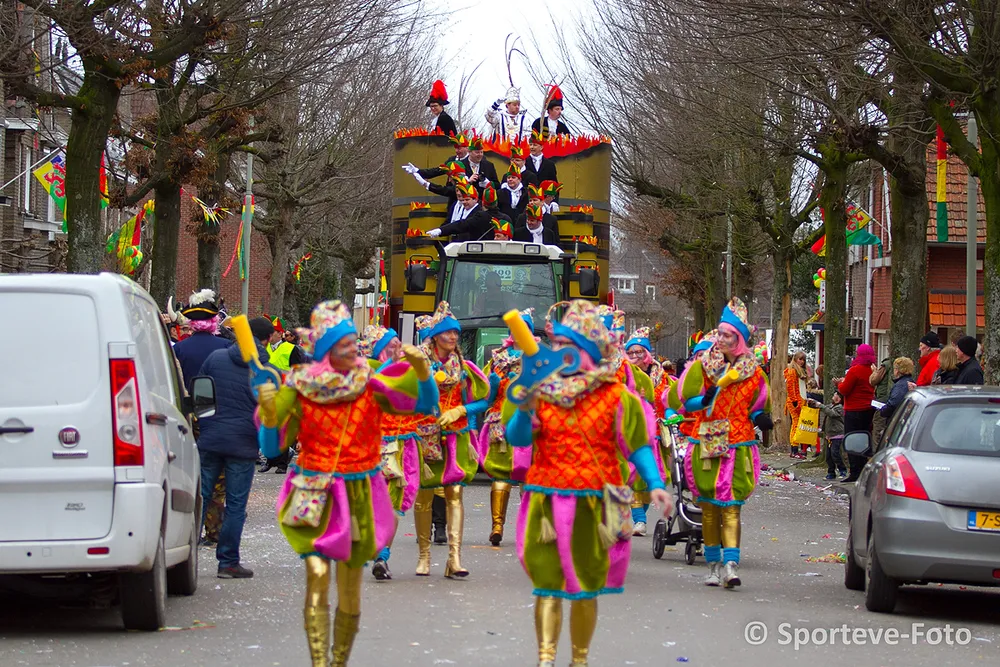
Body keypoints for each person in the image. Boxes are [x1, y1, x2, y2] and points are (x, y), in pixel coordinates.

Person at [256, 301, 438, 666]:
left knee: (351, 588)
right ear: (327, 349)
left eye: (354, 342)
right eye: (344, 343)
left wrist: (422, 370)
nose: (353, 349)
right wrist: (269, 412)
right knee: (317, 576)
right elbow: (272, 446)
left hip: (358, 495)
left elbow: (424, 404)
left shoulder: (370, 380)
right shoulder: (300, 385)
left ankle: (339, 661)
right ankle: (319, 661)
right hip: (315, 493)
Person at [503, 300, 672, 666]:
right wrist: (525, 405)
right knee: (547, 585)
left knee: (585, 588)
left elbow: (637, 445)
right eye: (558, 344)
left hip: (594, 506)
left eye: (569, 345)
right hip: (546, 502)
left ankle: (579, 660)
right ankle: (545, 659)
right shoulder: (541, 390)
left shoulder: (617, 397)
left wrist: (656, 483)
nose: (560, 352)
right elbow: (517, 438)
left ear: (589, 351)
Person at [675, 298, 772, 588]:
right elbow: (687, 401)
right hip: (710, 435)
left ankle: (731, 565)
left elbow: (757, 403)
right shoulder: (704, 366)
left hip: (738, 440)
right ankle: (713, 566)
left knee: (731, 505)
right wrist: (702, 400)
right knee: (709, 507)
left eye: (727, 334)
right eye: (719, 333)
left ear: (739, 339)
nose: (721, 339)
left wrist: (759, 416)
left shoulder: (753, 371)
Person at [411, 301, 491, 578]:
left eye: (456, 332)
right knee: (424, 497)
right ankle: (424, 556)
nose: (454, 336)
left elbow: (484, 401)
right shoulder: (417, 365)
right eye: (448, 332)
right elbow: (403, 396)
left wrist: (461, 410)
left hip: (456, 437)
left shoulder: (465, 368)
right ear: (435, 337)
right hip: (425, 437)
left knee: (455, 494)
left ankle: (454, 558)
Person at [197, 316, 276, 579]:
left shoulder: (216, 358)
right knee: (235, 504)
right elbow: (270, 413)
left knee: (200, 497)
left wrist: (206, 425)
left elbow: (200, 393)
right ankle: (228, 562)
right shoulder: (266, 371)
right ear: (267, 340)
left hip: (211, 439)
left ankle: (184, 554)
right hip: (243, 443)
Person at [357, 325, 413, 582]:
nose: (399, 347)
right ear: (380, 349)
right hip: (369, 448)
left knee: (393, 504)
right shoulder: (363, 372)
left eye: (399, 342)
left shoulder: (403, 370)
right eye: (393, 344)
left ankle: (382, 556)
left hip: (398, 447)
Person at [478, 308, 536, 547]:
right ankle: (497, 526)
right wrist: (492, 386)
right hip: (500, 422)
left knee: (530, 479)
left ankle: (529, 528)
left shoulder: (539, 358)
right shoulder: (498, 358)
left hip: (531, 422)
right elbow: (485, 396)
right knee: (501, 476)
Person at [624, 325, 672, 537]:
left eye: (639, 352)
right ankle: (639, 520)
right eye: (631, 352)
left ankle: (640, 516)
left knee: (649, 479)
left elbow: (668, 400)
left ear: (647, 354)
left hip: (655, 433)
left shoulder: (661, 377)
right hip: (631, 431)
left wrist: (670, 415)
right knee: (633, 476)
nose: (635, 356)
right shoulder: (624, 375)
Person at [172, 288, 231, 391]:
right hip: (220, 399)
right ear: (214, 321)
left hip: (189, 399)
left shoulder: (178, 348)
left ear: (191, 322)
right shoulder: (227, 345)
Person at [835, 344, 877, 482]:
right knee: (864, 438)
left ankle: (855, 471)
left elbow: (844, 390)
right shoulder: (873, 370)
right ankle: (864, 468)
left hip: (853, 409)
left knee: (852, 439)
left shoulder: (855, 370)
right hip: (868, 409)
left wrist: (839, 383)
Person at [427, 181, 491, 241]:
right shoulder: (460, 208)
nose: (464, 202)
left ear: (475, 199)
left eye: (467, 200)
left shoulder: (479, 212)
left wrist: (440, 230)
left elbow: (462, 225)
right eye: (463, 200)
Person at [809, 391, 846, 480]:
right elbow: (825, 408)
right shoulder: (831, 405)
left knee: (835, 454)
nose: (833, 396)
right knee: (828, 456)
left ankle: (842, 470)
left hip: (837, 435)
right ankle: (831, 472)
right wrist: (814, 403)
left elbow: (831, 413)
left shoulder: (840, 408)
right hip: (829, 435)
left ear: (839, 398)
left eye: (834, 395)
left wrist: (820, 405)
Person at [785, 351, 807, 459]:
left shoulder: (799, 371)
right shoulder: (792, 371)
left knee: (797, 424)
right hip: (795, 402)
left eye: (803, 360)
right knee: (795, 424)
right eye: (800, 359)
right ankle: (794, 449)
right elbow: (790, 387)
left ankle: (796, 449)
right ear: (795, 359)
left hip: (799, 401)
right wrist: (794, 401)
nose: (802, 362)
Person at [880, 357, 914, 422]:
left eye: (894, 368)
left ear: (897, 370)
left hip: (897, 420)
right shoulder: (910, 381)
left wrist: (883, 410)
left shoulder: (901, 385)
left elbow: (893, 404)